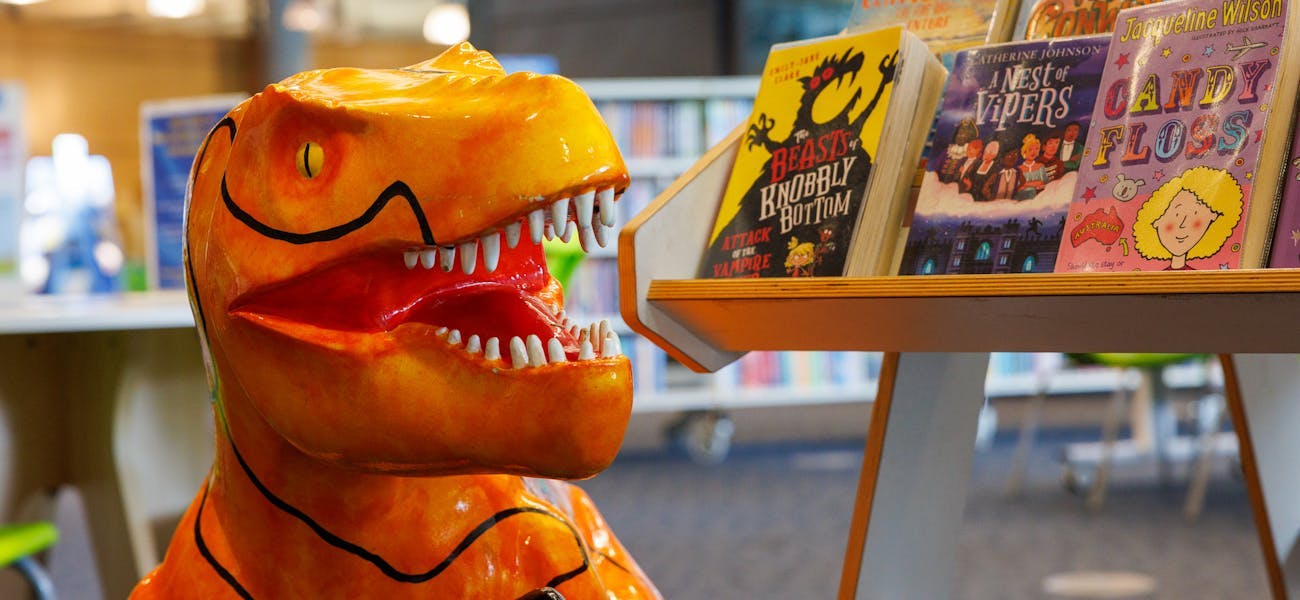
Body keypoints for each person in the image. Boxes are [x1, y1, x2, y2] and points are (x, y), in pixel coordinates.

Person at [1132, 166, 1243, 270]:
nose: (1182, 225)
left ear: (1212, 221)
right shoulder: (1152, 279)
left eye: (1195, 216)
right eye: (1176, 215)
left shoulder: (1198, 279)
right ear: (1156, 221)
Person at [1015, 133, 1047, 200]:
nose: (1034, 152)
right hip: (1021, 198)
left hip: (1040, 197)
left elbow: (1044, 183)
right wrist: (1035, 184)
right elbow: (1018, 188)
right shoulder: (1019, 169)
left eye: (1036, 149)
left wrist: (1025, 184)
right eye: (1030, 149)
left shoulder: (1041, 166)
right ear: (1024, 152)